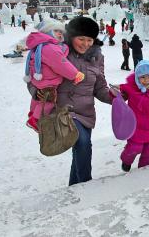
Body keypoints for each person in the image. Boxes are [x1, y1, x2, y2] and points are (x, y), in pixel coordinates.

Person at [54, 16, 113, 185]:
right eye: (81, 39)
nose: (85, 44)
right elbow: (39, 80)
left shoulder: (96, 57)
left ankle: (74, 188)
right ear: (71, 36)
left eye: (89, 40)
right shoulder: (59, 53)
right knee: (83, 143)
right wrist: (38, 92)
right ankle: (87, 185)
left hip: (86, 112)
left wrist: (115, 97)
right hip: (64, 112)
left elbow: (100, 87)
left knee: (80, 150)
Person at [24, 20, 85, 132]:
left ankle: (32, 113)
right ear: (47, 32)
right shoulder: (50, 48)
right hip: (49, 81)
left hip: (39, 79)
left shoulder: (40, 45)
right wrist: (75, 74)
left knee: (38, 99)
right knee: (48, 101)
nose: (60, 34)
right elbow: (61, 64)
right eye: (56, 31)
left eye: (61, 32)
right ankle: (36, 120)